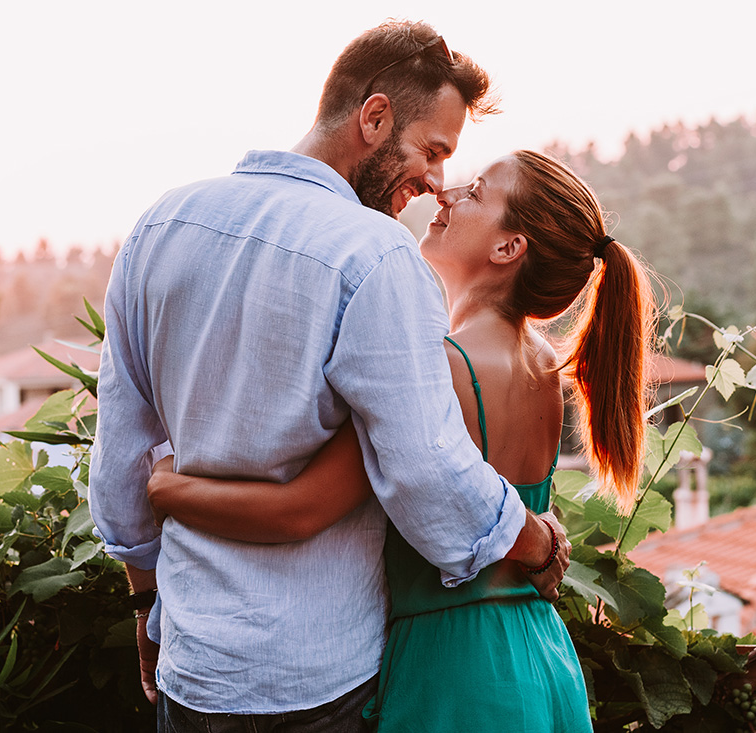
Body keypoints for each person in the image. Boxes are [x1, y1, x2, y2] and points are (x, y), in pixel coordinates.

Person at [89, 20, 569, 730]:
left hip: (192, 668)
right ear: (374, 118)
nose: (436, 183)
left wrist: (144, 604)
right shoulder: (375, 255)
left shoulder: (160, 225)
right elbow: (423, 467)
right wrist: (534, 540)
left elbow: (121, 458)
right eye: (432, 151)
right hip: (319, 682)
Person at [147, 150, 657, 731]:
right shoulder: (540, 366)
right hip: (541, 656)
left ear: (508, 248)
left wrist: (167, 489)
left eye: (476, 193)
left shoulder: (438, 368)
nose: (446, 195)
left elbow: (299, 508)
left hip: (456, 670)